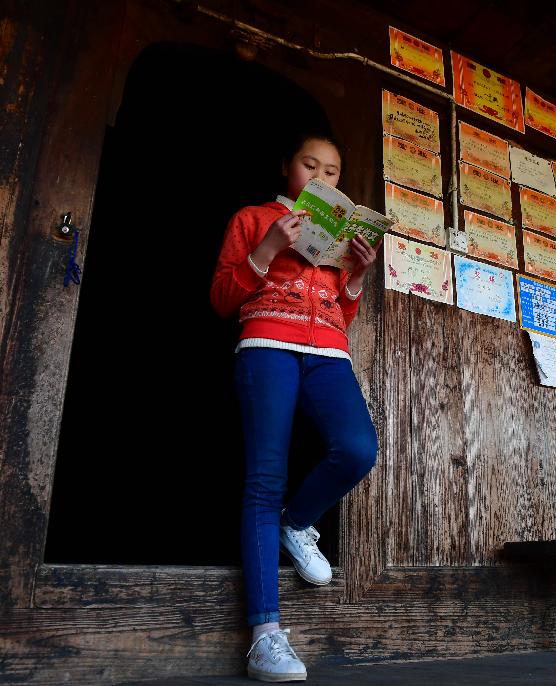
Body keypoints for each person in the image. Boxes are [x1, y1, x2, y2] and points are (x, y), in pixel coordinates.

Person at [211, 132, 380, 682]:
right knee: (265, 479)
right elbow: (221, 298)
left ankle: (297, 522)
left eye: (331, 172)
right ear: (287, 166)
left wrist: (357, 276)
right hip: (266, 345)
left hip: (328, 353)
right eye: (311, 166)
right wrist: (267, 249)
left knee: (357, 449)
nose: (320, 178)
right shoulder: (253, 218)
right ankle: (265, 637)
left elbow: (342, 315)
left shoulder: (341, 231)